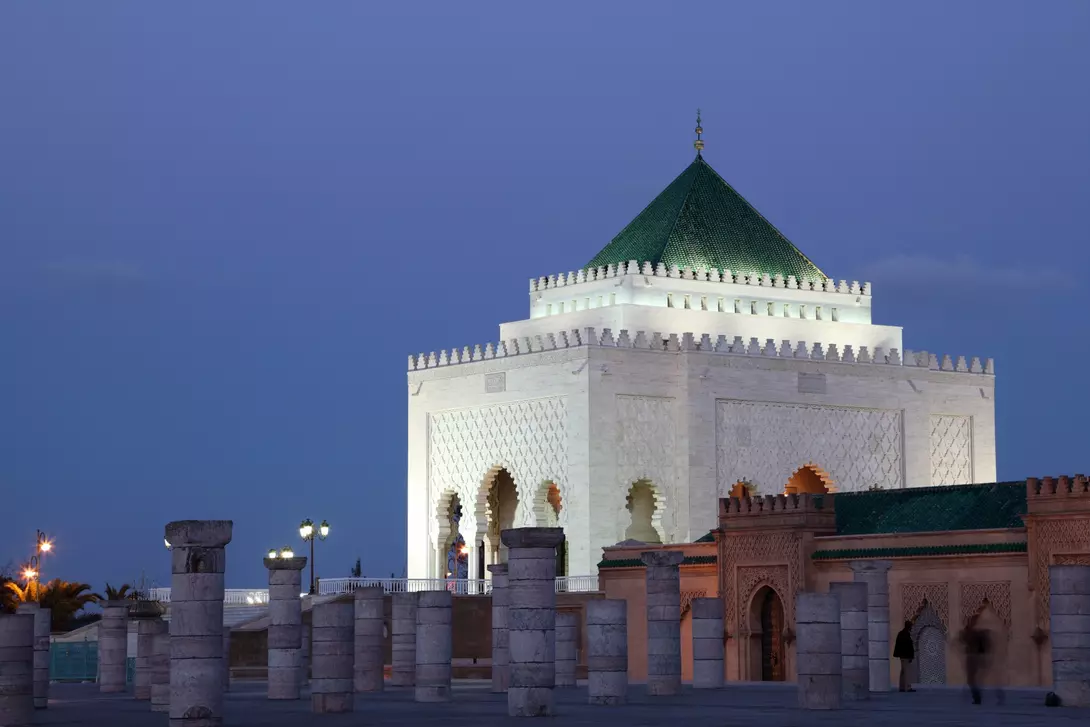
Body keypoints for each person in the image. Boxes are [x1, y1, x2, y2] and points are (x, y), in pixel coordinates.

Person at [893, 620, 916, 692]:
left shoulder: (901, 633)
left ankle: (902, 687)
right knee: (906, 671)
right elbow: (908, 646)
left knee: (903, 671)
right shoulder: (906, 634)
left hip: (902, 655)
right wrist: (910, 656)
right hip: (906, 655)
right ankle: (907, 687)